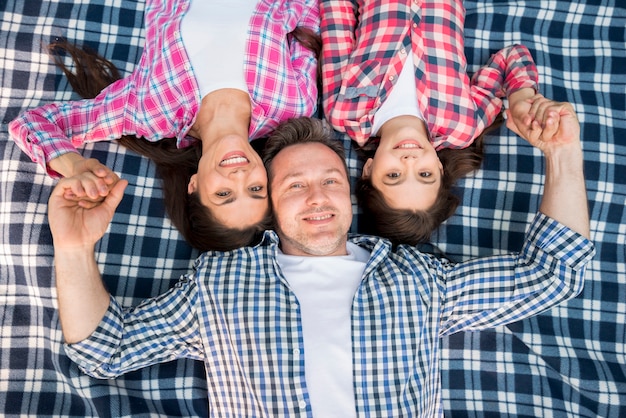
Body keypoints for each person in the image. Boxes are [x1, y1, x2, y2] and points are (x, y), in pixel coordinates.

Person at [48, 98, 593, 417]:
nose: (316, 197)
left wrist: (562, 153)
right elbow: (107, 350)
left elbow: (554, 274)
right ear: (267, 207)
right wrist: (74, 248)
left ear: (352, 193)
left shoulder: (419, 276)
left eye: (330, 180)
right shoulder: (218, 282)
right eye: (293, 186)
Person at [9, 0, 321, 251]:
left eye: (224, 194)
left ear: (194, 185)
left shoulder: (149, 111)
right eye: (255, 189)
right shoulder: (294, 106)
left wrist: (74, 166)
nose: (240, 176)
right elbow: (307, 19)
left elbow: (33, 123)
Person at [319, 0, 539, 245]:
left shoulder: (344, 112)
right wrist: (521, 98)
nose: (409, 162)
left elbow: (336, 19)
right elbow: (511, 57)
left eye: (393, 175)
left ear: (368, 170)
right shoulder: (461, 126)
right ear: (440, 168)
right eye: (425, 174)